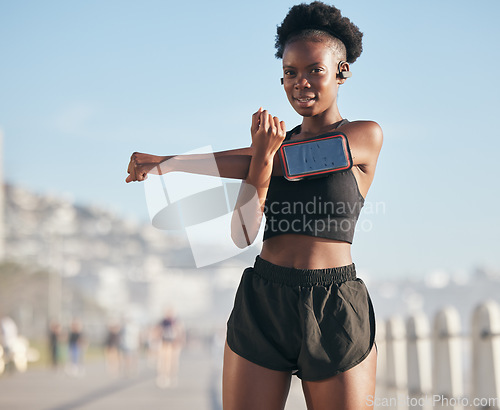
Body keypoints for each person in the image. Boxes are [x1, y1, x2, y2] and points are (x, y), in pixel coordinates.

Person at [126, 2, 382, 408]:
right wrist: (257, 164)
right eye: (290, 72)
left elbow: (292, 161)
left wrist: (170, 162)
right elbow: (242, 233)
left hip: (333, 303)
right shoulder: (265, 153)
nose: (300, 82)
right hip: (264, 299)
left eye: (314, 70)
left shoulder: (364, 135)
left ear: (342, 71)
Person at [156, 308, 185, 388]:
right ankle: (163, 376)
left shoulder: (176, 321)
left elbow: (180, 331)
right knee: (164, 361)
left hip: (174, 344)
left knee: (172, 361)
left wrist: (180, 341)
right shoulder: (163, 321)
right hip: (165, 343)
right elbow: (158, 330)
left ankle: (172, 376)